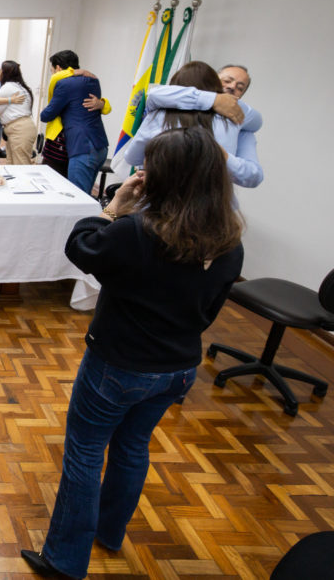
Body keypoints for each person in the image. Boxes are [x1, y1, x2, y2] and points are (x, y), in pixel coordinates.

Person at [21, 126, 244, 579]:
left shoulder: (137, 232)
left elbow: (80, 246)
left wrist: (114, 205)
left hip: (119, 365)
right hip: (179, 367)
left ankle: (64, 561)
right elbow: (209, 311)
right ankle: (110, 530)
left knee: (84, 454)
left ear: (166, 178)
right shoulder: (230, 242)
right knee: (133, 446)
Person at [123, 61, 263, 188]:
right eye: (227, 80)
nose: (232, 87)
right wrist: (213, 100)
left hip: (212, 206)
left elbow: (254, 175)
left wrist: (221, 157)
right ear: (214, 80)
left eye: (240, 87)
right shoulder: (162, 111)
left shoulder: (238, 122)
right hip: (160, 200)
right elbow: (154, 94)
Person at [39, 50, 110, 193]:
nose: (53, 74)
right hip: (100, 145)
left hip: (83, 146)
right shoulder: (93, 80)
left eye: (52, 70)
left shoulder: (64, 83)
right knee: (86, 194)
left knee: (77, 196)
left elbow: (47, 115)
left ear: (58, 68)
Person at [0, 61, 35, 165]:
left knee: (20, 164)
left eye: (0, 70)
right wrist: (9, 101)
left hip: (19, 129)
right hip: (22, 127)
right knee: (13, 164)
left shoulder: (8, 87)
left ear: (4, 72)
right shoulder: (20, 86)